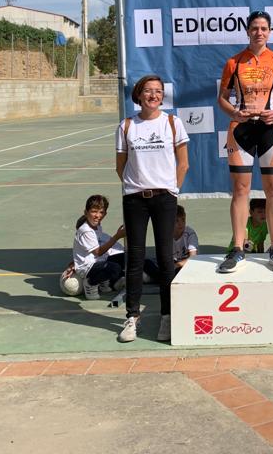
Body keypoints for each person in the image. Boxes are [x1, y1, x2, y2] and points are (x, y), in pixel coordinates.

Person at [217, 10, 273, 274]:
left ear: (269, 32)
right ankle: (238, 248)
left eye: (263, 28)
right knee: (240, 190)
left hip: (271, 130)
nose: (259, 32)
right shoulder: (233, 62)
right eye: (254, 28)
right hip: (241, 130)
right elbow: (222, 99)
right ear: (248, 31)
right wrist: (234, 112)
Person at [115, 74, 190, 343]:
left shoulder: (173, 123)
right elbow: (120, 166)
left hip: (164, 199)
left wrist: (171, 190)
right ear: (139, 94)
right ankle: (131, 317)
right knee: (134, 259)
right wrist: (136, 186)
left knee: (165, 258)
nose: (153, 95)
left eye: (158, 91)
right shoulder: (126, 126)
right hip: (135, 199)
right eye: (148, 91)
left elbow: (183, 164)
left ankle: (167, 317)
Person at [72, 194, 126, 300]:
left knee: (125, 258)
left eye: (101, 212)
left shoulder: (97, 226)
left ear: (105, 214)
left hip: (98, 262)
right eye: (94, 211)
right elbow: (98, 252)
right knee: (114, 268)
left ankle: (105, 281)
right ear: (86, 212)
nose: (97, 215)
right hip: (87, 267)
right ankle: (91, 283)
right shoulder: (86, 230)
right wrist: (117, 236)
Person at [171, 205, 198, 276]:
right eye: (177, 220)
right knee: (147, 263)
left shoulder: (190, 233)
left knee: (183, 272)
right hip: (172, 265)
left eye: (183, 220)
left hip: (186, 265)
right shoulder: (166, 234)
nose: (181, 224)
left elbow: (193, 258)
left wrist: (177, 265)